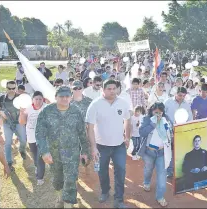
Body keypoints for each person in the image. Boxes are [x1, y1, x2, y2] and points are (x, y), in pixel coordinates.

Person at [35, 86, 90, 208]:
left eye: (67, 96)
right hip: (54, 153)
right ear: (55, 97)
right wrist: (44, 152)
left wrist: (85, 151)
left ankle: (68, 204)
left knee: (70, 179)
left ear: (71, 97)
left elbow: (82, 133)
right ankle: (60, 197)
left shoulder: (76, 111)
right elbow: (40, 133)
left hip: (72, 152)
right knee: (57, 179)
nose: (65, 99)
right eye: (61, 96)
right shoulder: (46, 111)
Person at [86, 79, 131, 208]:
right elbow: (90, 127)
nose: (112, 91)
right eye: (109, 89)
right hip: (101, 146)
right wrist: (93, 147)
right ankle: (105, 191)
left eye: (114, 88)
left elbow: (127, 120)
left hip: (119, 145)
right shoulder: (95, 104)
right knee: (102, 171)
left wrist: (127, 137)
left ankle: (119, 199)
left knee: (121, 171)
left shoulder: (122, 103)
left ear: (117, 89)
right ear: (103, 90)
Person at [138, 102, 173, 207]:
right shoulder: (147, 119)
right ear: (152, 111)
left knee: (162, 176)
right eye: (156, 112)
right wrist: (153, 124)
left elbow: (171, 132)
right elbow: (142, 132)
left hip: (162, 153)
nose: (158, 114)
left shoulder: (166, 119)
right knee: (148, 169)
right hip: (149, 152)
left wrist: (170, 130)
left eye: (160, 112)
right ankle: (147, 182)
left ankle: (160, 196)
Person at [19, 91, 47, 185]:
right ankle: (37, 167)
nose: (38, 101)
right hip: (31, 136)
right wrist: (22, 113)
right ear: (32, 100)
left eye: (40, 99)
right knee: (35, 156)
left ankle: (40, 177)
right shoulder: (28, 108)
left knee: (40, 157)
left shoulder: (46, 107)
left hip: (43, 137)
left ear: (43, 99)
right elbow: (22, 122)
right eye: (36, 99)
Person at [0, 81, 27, 171]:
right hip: (7, 123)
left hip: (19, 122)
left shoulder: (20, 97)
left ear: (16, 88)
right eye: (9, 88)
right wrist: (1, 113)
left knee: (23, 140)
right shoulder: (1, 98)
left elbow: (25, 109)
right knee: (8, 143)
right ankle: (9, 162)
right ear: (6, 88)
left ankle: (22, 150)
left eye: (13, 88)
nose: (11, 90)